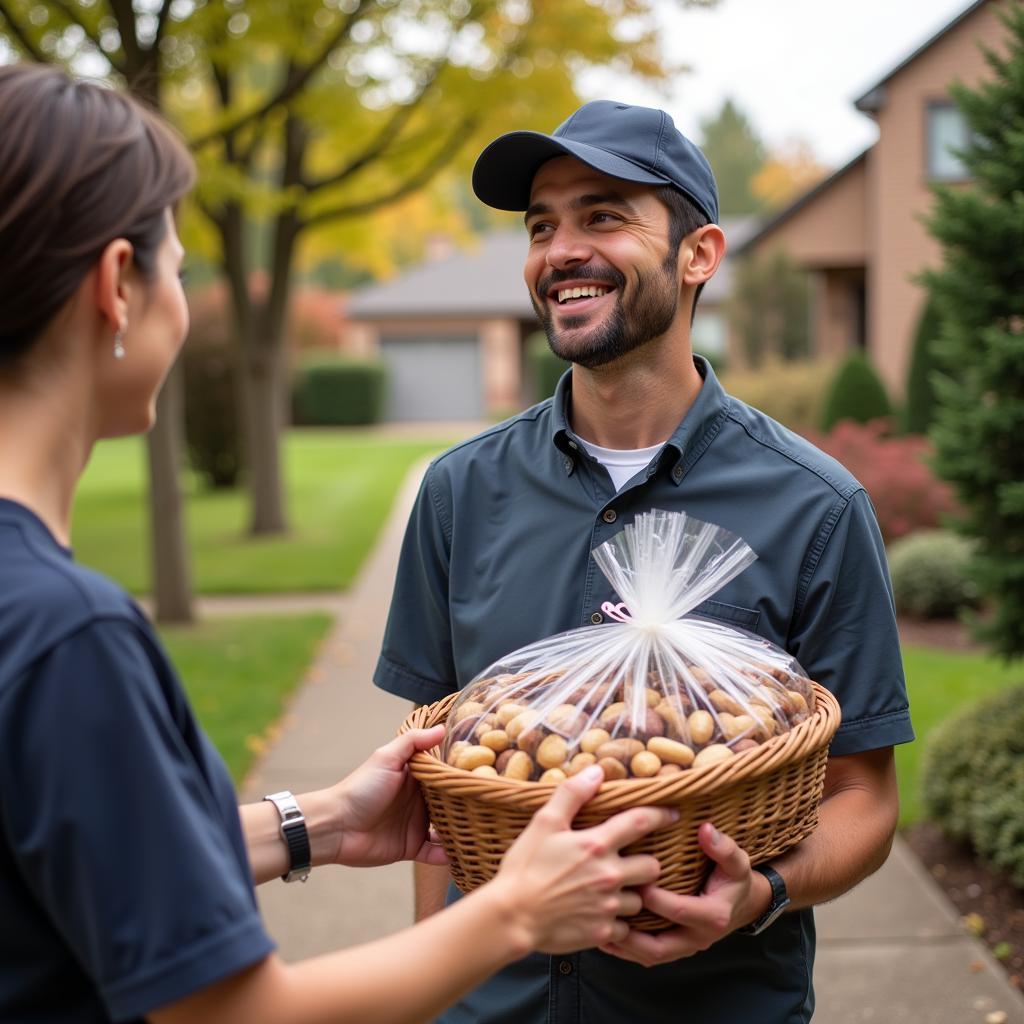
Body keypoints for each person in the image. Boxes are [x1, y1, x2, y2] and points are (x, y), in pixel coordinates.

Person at [0, 66, 679, 1024]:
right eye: (179, 266)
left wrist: (313, 821)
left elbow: (89, 862)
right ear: (119, 285)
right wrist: (516, 913)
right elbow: (232, 1012)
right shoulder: (68, 635)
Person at [374, 99, 915, 1023]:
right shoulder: (460, 493)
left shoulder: (814, 506)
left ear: (699, 254)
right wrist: (437, 990)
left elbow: (863, 796)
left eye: (603, 216)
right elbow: (433, 786)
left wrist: (762, 895)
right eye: (542, 226)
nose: (560, 252)